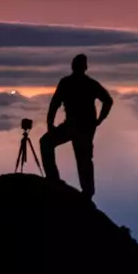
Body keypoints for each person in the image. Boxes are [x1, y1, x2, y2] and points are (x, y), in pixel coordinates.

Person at [40, 54, 113, 198]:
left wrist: (99, 120)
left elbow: (55, 103)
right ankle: (80, 190)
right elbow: (108, 101)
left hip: (81, 126)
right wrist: (99, 120)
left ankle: (82, 191)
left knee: (81, 157)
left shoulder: (72, 83)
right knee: (81, 157)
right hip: (79, 125)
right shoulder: (85, 83)